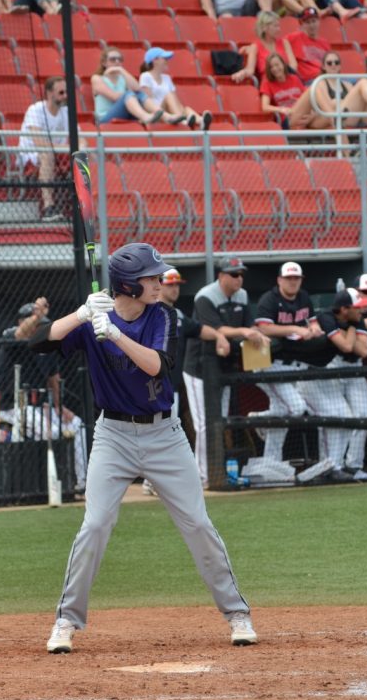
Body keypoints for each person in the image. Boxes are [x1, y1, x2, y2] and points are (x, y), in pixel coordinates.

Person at [31, 242, 258, 653]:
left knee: (197, 523)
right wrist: (82, 315)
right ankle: (66, 621)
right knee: (95, 524)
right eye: (151, 278)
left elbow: (158, 365)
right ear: (128, 286)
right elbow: (39, 344)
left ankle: (237, 613)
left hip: (164, 436)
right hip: (112, 436)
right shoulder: (95, 318)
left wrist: (115, 335)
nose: (159, 282)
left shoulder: (164, 315)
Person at [142, 267, 231, 496]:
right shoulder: (148, 312)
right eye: (170, 284)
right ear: (159, 285)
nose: (175, 288)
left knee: (165, 432)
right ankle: (152, 479)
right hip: (150, 384)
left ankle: (154, 480)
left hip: (171, 384)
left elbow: (200, 329)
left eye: (177, 284)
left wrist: (220, 336)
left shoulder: (178, 315)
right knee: (154, 432)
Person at [183, 256, 270, 488]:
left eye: (241, 274)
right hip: (198, 368)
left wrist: (255, 334)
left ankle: (213, 471)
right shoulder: (206, 296)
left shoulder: (241, 295)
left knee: (219, 421)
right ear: (221, 276)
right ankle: (203, 476)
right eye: (234, 274)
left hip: (223, 368)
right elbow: (216, 329)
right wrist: (245, 331)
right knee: (203, 424)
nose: (239, 278)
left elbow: (250, 325)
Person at [0, 297, 88, 491]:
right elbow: (20, 334)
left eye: (42, 324)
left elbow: (53, 378)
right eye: (36, 324)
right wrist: (36, 315)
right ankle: (52, 483)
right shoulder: (11, 336)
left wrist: (59, 407)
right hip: (10, 406)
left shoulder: (45, 347)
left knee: (77, 425)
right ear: (23, 321)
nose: (40, 329)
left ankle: (81, 483)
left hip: (38, 405)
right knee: (54, 433)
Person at [253, 261, 325, 465]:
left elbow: (312, 321)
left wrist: (314, 329)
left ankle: (270, 463)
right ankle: (260, 419)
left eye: (296, 278)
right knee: (295, 408)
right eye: (289, 278)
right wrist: (295, 329)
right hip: (268, 363)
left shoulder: (304, 297)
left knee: (282, 419)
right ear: (279, 280)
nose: (293, 282)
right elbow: (264, 327)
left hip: (292, 364)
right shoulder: (270, 299)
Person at [315, 288, 367, 481]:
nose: (361, 311)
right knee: (335, 417)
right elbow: (347, 346)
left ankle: (353, 466)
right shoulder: (327, 317)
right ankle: (330, 465)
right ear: (343, 309)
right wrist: (350, 329)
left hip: (355, 368)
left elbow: (363, 350)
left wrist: (348, 328)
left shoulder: (357, 319)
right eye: (356, 307)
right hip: (331, 366)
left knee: (363, 416)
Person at [288, 51, 367, 133]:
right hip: (340, 118)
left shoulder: (346, 84)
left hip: (360, 117)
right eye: (329, 63)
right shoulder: (320, 83)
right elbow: (328, 108)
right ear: (323, 66)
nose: (333, 65)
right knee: (363, 83)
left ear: (340, 66)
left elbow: (356, 100)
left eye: (336, 62)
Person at [18, 76, 83, 223]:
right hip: (32, 155)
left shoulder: (66, 112)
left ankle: (84, 205)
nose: (65, 96)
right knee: (47, 155)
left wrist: (81, 147)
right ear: (49, 93)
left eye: (67, 92)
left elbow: (81, 138)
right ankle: (48, 206)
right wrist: (69, 147)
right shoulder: (35, 110)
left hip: (59, 153)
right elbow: (40, 143)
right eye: (61, 92)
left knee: (85, 155)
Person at [91, 46, 176, 128]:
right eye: (113, 59)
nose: (117, 62)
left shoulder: (122, 78)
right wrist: (129, 93)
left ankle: (165, 116)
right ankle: (145, 117)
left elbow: (137, 89)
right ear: (104, 63)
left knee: (138, 93)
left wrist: (122, 71)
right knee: (129, 94)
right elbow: (114, 97)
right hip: (105, 118)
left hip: (126, 114)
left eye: (120, 60)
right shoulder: (97, 78)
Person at [139, 48, 212, 130]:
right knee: (169, 96)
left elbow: (175, 101)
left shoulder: (167, 78)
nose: (167, 61)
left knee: (186, 109)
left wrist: (182, 110)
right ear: (155, 60)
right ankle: (183, 121)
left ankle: (201, 122)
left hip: (169, 113)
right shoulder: (145, 76)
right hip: (157, 114)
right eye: (164, 58)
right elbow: (147, 102)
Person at [231, 10, 297, 84]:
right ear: (265, 28)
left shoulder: (284, 43)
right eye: (275, 26)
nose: (279, 29)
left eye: (278, 26)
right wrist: (242, 73)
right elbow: (250, 70)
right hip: (269, 83)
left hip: (287, 80)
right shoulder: (255, 47)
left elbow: (293, 66)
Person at [285, 7, 330, 86]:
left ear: (318, 21)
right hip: (309, 81)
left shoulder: (325, 42)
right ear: (302, 24)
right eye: (308, 22)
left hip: (326, 78)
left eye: (314, 21)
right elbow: (279, 45)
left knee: (357, 81)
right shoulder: (293, 38)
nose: (312, 25)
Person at [259, 53, 306, 124]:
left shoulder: (294, 78)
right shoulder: (267, 83)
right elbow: (265, 107)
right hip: (287, 117)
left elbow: (305, 96)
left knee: (324, 119)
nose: (275, 69)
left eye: (277, 65)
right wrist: (281, 109)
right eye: (271, 67)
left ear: (283, 64)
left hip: (302, 111)